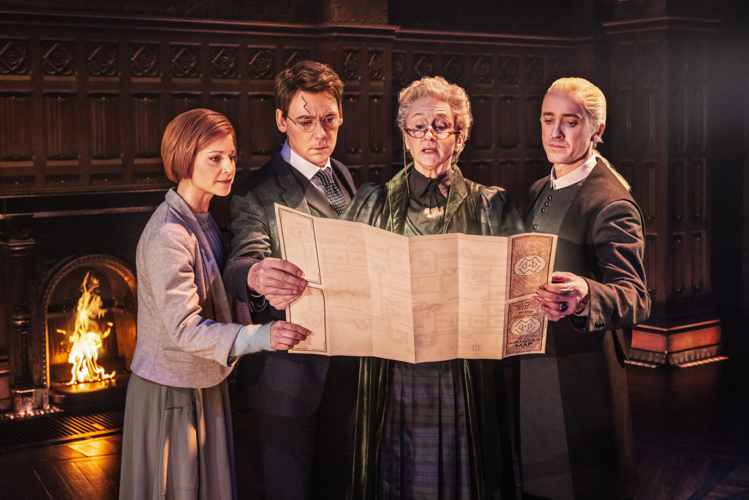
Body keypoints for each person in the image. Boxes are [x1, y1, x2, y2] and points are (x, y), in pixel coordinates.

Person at [344, 76, 523, 500]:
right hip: (393, 371)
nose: (429, 135)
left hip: (463, 373)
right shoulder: (372, 202)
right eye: (418, 126)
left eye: (441, 126)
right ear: (405, 136)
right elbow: (346, 283)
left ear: (459, 138)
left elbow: (517, 292)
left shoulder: (490, 204)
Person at [119, 109, 310, 500]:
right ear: (183, 159)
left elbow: (219, 295)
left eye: (232, 156)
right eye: (215, 158)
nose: (228, 168)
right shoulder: (169, 235)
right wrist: (263, 336)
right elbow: (184, 329)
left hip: (202, 381)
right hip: (172, 392)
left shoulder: (201, 218)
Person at [223, 61, 358, 500]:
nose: (321, 133)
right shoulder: (255, 192)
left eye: (329, 119)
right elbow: (240, 263)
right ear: (282, 120)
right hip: (288, 377)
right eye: (305, 121)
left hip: (349, 369)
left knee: (340, 486)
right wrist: (256, 275)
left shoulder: (343, 175)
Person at [518, 77, 651, 500]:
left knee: (587, 485)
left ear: (597, 130)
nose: (555, 132)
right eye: (548, 119)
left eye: (570, 122)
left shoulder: (610, 201)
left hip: (583, 376)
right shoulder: (540, 188)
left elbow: (636, 297)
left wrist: (586, 294)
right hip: (536, 366)